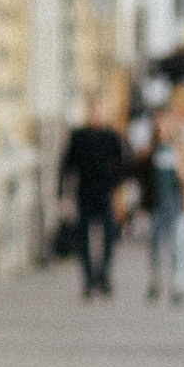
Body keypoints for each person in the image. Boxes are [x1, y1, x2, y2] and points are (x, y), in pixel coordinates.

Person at [59, 110, 127, 297]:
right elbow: (67, 165)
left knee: (109, 236)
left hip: (104, 193)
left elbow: (121, 162)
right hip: (84, 194)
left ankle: (103, 276)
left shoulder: (110, 136)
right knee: (83, 239)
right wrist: (62, 193)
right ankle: (89, 280)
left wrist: (114, 184)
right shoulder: (79, 136)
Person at [140, 116, 184, 305]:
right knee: (155, 247)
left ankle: (179, 286)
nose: (162, 131)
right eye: (159, 128)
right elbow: (143, 178)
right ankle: (156, 282)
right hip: (156, 206)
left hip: (176, 206)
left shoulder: (178, 150)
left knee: (178, 247)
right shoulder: (150, 152)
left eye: (165, 127)